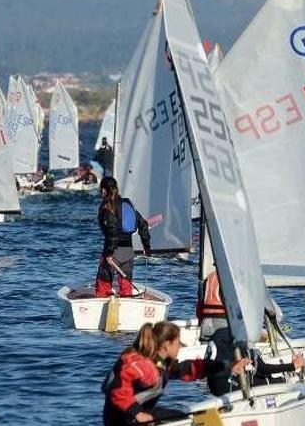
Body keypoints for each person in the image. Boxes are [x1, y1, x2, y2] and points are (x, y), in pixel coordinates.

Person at [102, 321, 248, 426]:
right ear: (166, 345)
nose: (181, 346)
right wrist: (137, 414)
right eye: (178, 342)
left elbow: (188, 369)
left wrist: (227, 366)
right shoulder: (140, 364)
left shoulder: (160, 363)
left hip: (138, 414)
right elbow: (116, 388)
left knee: (188, 419)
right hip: (122, 419)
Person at [96, 177, 151, 297]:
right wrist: (147, 247)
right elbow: (143, 225)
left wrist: (109, 253)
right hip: (128, 252)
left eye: (101, 190)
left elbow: (112, 231)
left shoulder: (107, 207)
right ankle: (126, 302)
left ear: (104, 191)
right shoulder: (127, 204)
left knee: (103, 284)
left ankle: (102, 303)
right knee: (126, 286)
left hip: (113, 252)